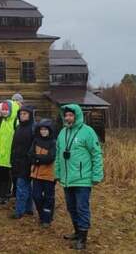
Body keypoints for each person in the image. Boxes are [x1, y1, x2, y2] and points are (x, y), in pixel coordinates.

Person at [55, 104, 104, 251]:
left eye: (71, 115)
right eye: (66, 115)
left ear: (77, 116)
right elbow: (58, 155)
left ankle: (83, 238)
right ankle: (77, 232)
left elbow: (96, 154)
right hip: (67, 179)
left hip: (83, 178)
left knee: (82, 207)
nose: (68, 118)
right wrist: (57, 173)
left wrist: (97, 175)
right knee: (71, 207)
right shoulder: (62, 133)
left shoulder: (88, 132)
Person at [29, 119, 57, 227]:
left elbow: (50, 158)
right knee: (36, 196)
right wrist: (38, 159)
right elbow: (30, 154)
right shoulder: (36, 141)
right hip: (36, 174)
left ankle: (47, 219)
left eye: (45, 129)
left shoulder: (53, 142)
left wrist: (37, 158)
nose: (43, 131)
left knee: (49, 198)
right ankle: (42, 215)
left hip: (49, 175)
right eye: (41, 129)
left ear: (49, 130)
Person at [10, 105, 35, 219]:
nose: (22, 116)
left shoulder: (33, 128)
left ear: (30, 115)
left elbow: (34, 145)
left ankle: (19, 211)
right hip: (17, 161)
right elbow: (14, 145)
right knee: (25, 186)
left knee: (21, 186)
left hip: (27, 162)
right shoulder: (19, 127)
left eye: (25, 114)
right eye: (21, 114)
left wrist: (30, 158)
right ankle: (29, 208)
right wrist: (12, 157)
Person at [0, 100, 18, 204]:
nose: (4, 111)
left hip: (10, 156)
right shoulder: (1, 122)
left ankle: (5, 196)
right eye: (3, 109)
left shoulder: (16, 122)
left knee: (8, 179)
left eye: (6, 109)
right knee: (0, 177)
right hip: (0, 156)